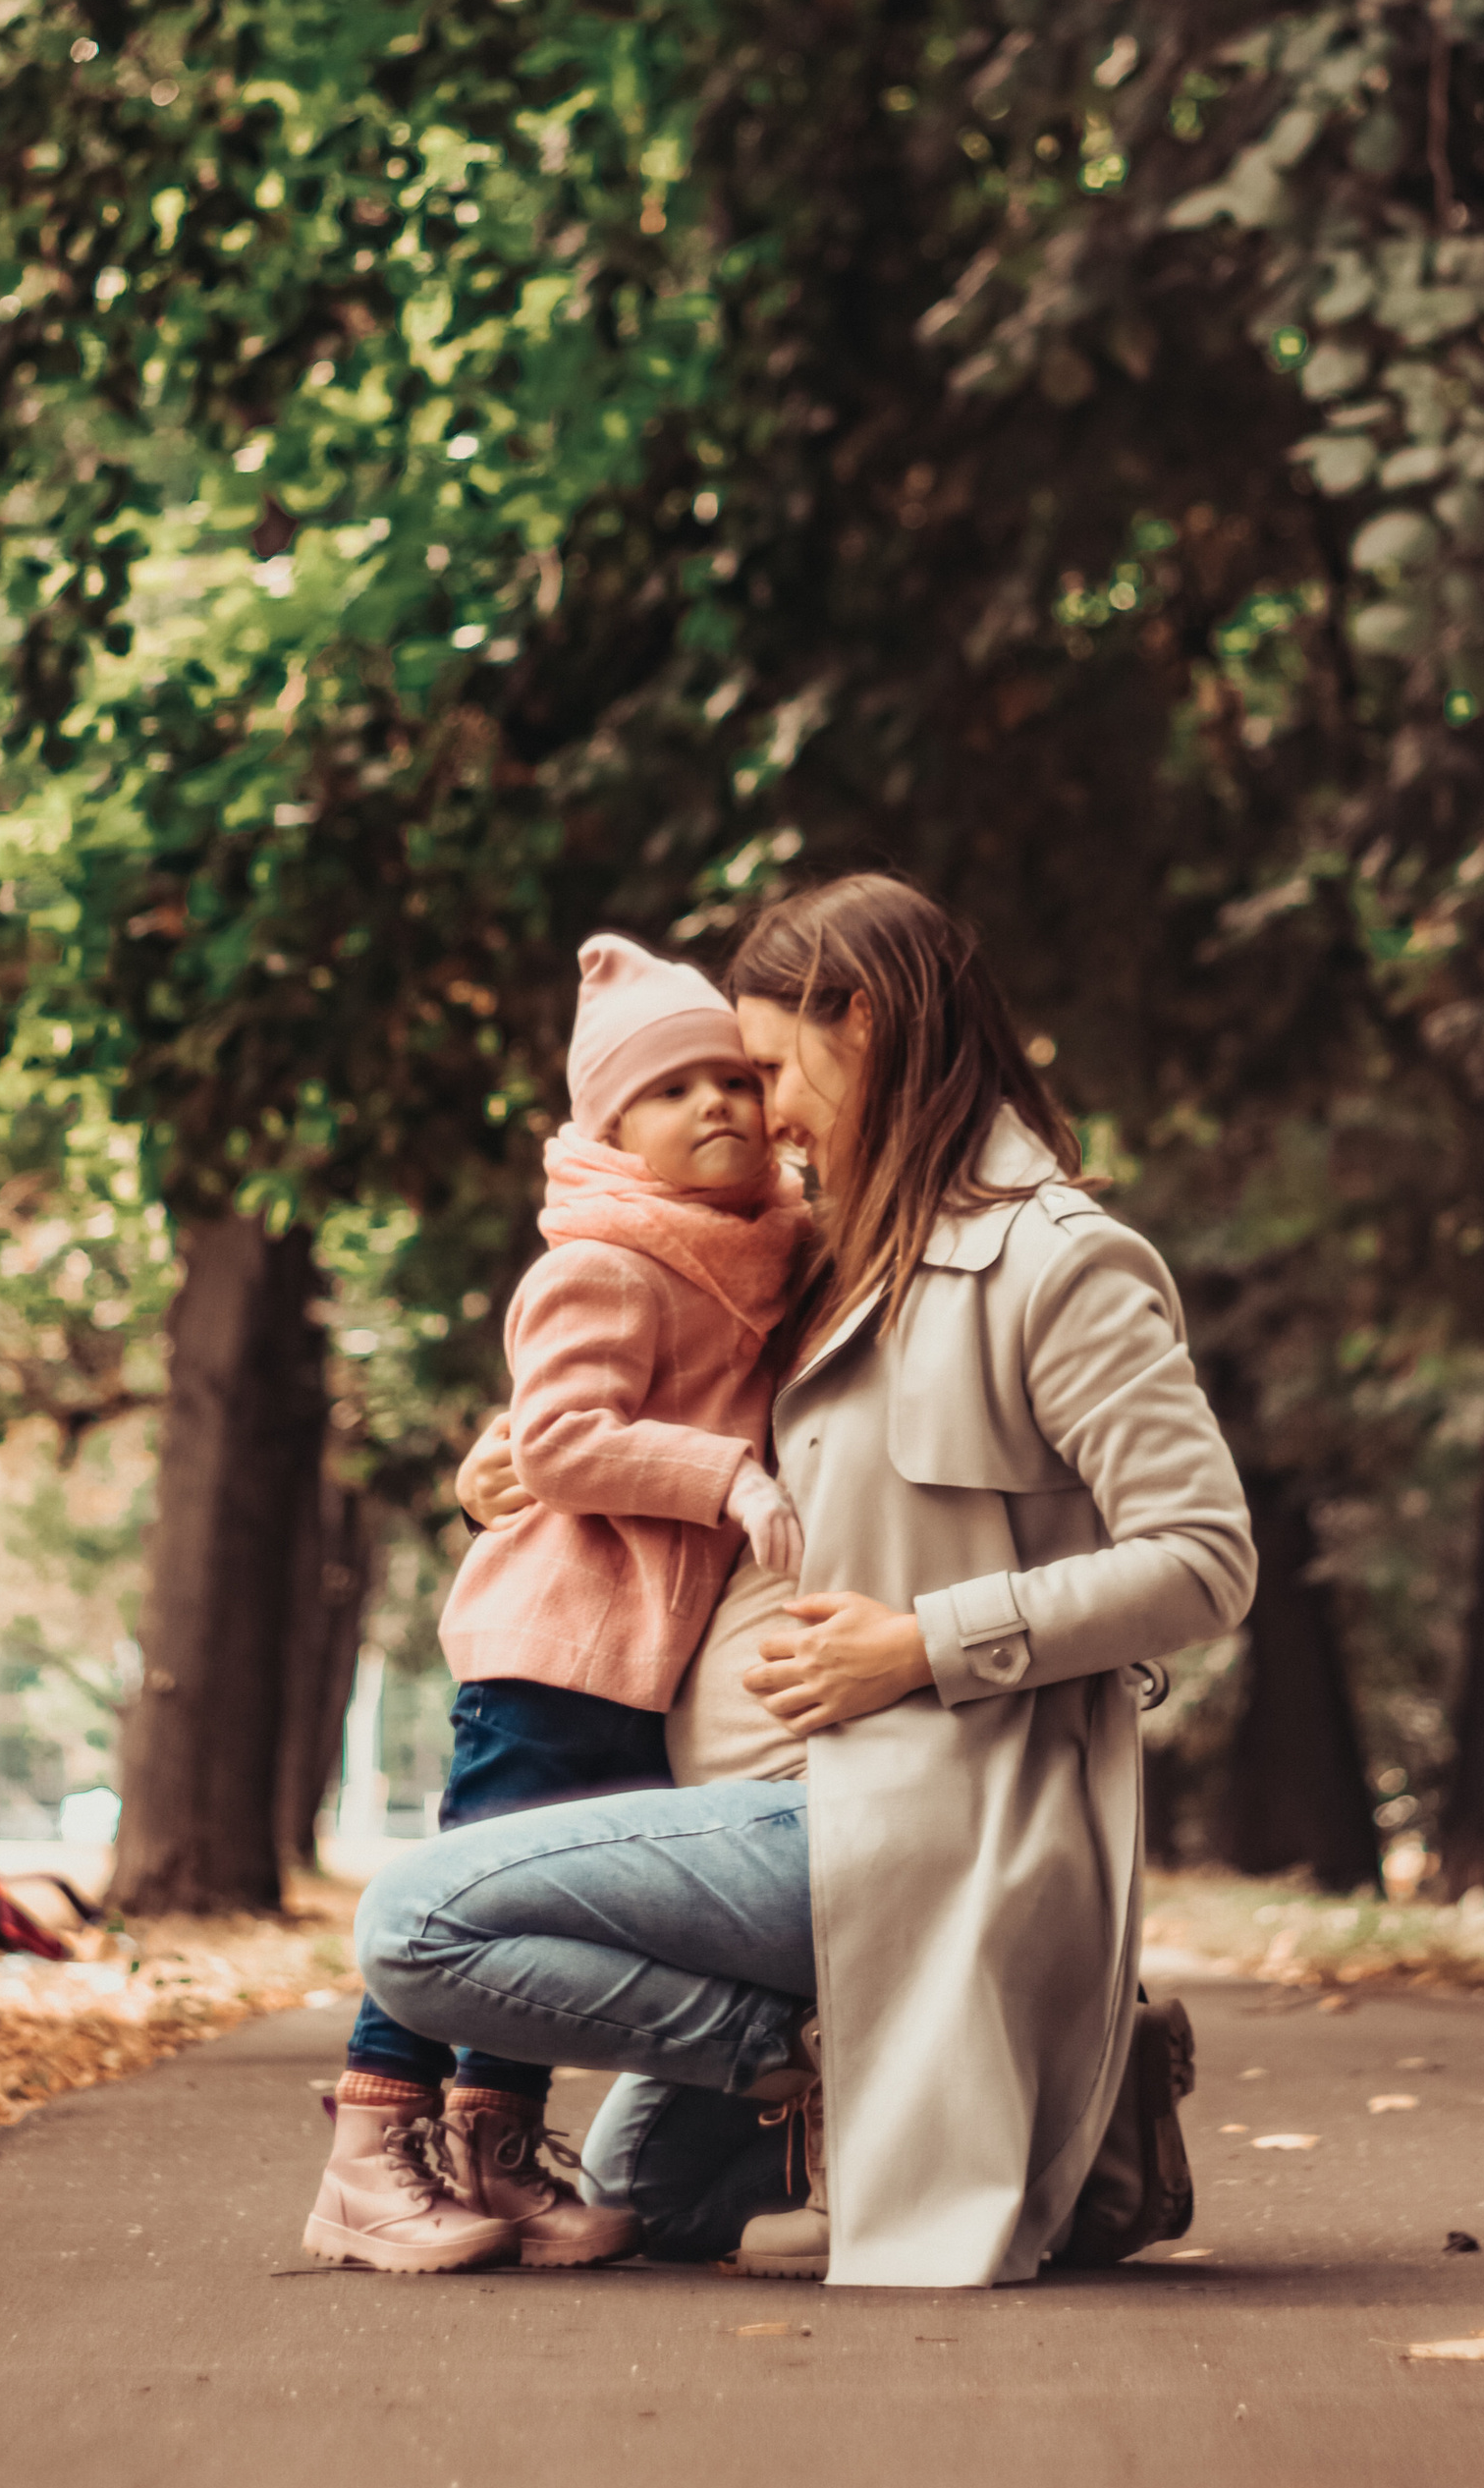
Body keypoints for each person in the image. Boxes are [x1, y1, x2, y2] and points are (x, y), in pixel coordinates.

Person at [359, 872, 1256, 2288]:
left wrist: (921, 1645)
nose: (760, 1112)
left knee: (414, 1928)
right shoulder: (828, 1257)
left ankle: (889, 2046)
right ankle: (830, 2055)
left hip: (906, 1812)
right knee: (640, 2199)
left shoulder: (1056, 1264)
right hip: (763, 1809)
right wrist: (514, 1448)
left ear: (868, 1021)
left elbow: (1206, 1560)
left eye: (773, 1066)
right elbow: (655, 1382)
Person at [303, 932, 809, 2275]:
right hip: (550, 1650)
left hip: (642, 1661)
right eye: (670, 1089)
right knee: (466, 1911)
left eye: (736, 1078)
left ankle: (491, 2152)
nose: (717, 1105)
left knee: (556, 1917)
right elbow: (562, 1443)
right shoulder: (603, 1262)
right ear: (610, 1128)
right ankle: (367, 2159)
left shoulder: (758, 1247)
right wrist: (729, 1479)